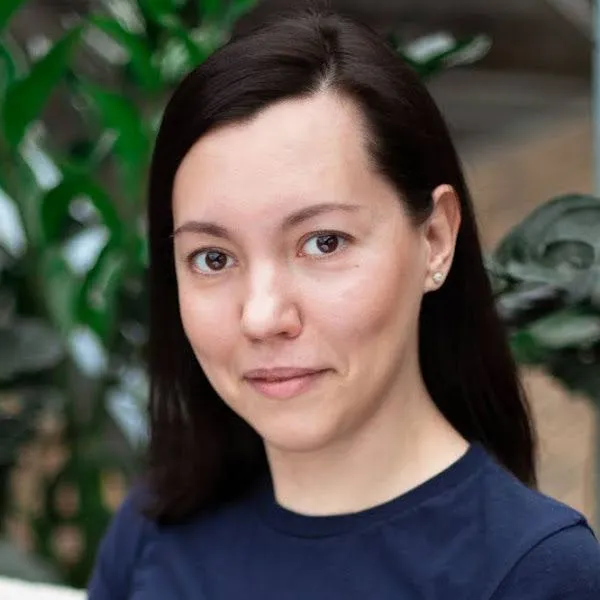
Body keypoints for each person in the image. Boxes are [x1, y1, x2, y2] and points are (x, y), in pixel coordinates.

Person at [88, 9, 600, 599]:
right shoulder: (155, 529)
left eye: (323, 243)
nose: (262, 317)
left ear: (435, 239)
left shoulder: (534, 573)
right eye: (213, 257)